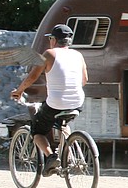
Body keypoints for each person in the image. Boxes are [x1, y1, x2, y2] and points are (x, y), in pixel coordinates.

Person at [10, 23, 88, 174]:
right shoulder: (78, 55)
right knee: (62, 122)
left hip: (56, 103)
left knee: (37, 130)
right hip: (77, 102)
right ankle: (69, 155)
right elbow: (84, 80)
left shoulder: (49, 54)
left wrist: (19, 91)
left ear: (53, 39)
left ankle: (51, 157)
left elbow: (32, 77)